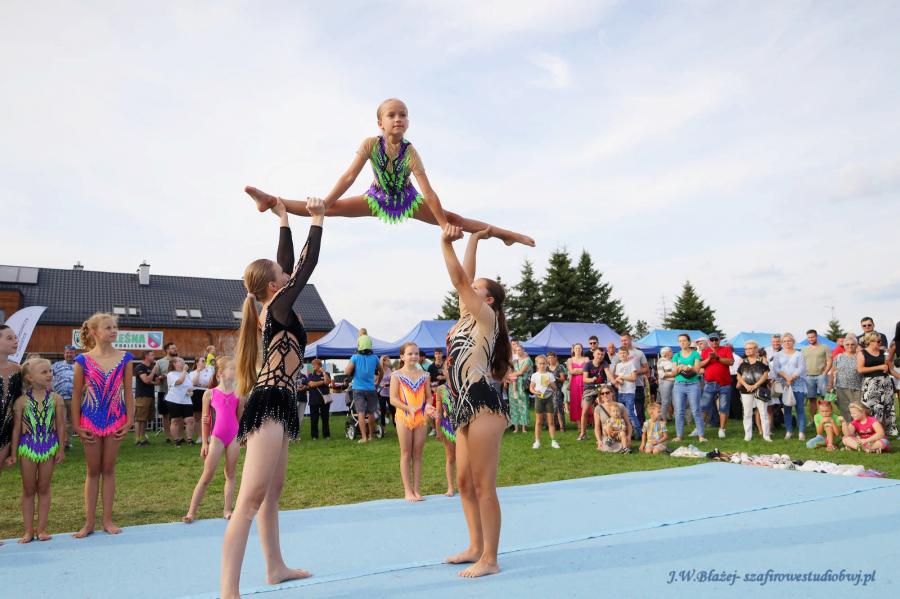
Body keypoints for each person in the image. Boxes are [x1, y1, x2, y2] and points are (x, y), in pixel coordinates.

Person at [245, 99, 534, 247]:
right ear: (380, 123)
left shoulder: (410, 152)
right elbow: (348, 177)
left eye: (403, 114)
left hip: (408, 200)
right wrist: (327, 202)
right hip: (377, 198)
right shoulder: (370, 144)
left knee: (454, 219)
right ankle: (271, 201)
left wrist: (444, 224)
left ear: (408, 121)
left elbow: (428, 192)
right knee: (330, 211)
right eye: (392, 115)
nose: (398, 119)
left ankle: (506, 235)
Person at [220, 196, 325, 597]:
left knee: (271, 495)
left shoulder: (275, 305)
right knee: (249, 501)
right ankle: (228, 590)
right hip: (268, 403)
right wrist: (317, 220)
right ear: (273, 286)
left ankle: (275, 567)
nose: (288, 273)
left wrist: (283, 218)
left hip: (280, 401)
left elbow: (287, 263)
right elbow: (304, 267)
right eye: (283, 275)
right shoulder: (277, 306)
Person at [440, 225, 511, 578]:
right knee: (465, 483)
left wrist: (445, 244)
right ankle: (475, 546)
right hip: (462, 406)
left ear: (488, 300)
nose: (469, 289)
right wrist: (473, 240)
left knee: (484, 485)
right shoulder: (465, 319)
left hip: (483, 403)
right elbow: (465, 280)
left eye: (476, 288)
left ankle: (491, 559)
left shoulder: (486, 319)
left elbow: (459, 281)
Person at [70, 312, 134, 537]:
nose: (113, 330)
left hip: (115, 419)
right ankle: (89, 523)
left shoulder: (126, 358)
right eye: (108, 327)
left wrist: (129, 420)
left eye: (115, 327)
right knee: (93, 470)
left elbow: (128, 391)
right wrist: (76, 425)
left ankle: (107, 520)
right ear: (95, 332)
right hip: (90, 419)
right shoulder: (83, 360)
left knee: (108, 469)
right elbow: (76, 394)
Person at [4, 357, 66, 543]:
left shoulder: (56, 399)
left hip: (49, 447)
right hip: (27, 449)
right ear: (30, 378)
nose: (49, 374)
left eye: (50, 371)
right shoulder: (21, 402)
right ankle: (28, 530)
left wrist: (61, 449)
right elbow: (16, 429)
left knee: (44, 488)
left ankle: (42, 529)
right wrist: (13, 453)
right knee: (29, 489)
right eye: (44, 372)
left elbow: (61, 425)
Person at [184, 356, 242, 523]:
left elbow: (239, 419)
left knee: (230, 474)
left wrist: (241, 438)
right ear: (221, 372)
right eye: (232, 368)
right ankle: (191, 512)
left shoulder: (239, 394)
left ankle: (227, 510)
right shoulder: (209, 394)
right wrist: (204, 442)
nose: (235, 371)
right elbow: (205, 419)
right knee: (207, 475)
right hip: (217, 437)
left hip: (234, 437)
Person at [390, 343, 434, 501]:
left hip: (420, 418)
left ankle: (416, 490)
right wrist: (408, 408)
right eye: (410, 354)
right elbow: (393, 398)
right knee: (406, 453)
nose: (414, 356)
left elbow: (428, 396)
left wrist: (428, 406)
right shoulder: (396, 375)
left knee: (418, 453)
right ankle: (407, 491)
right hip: (404, 417)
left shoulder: (425, 375)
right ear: (402, 357)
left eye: (416, 353)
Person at [857, 332, 898, 437]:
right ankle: (872, 431)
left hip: (886, 382)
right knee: (872, 408)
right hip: (871, 383)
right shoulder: (862, 353)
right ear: (870, 341)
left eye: (881, 341)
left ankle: (887, 432)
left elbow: (890, 369)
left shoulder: (883, 352)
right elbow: (860, 369)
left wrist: (890, 365)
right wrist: (878, 367)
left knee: (888, 408)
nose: (881, 343)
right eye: (878, 341)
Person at [344, 335, 382, 443]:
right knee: (371, 413)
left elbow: (347, 372)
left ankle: (364, 438)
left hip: (358, 389)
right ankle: (371, 436)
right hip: (371, 388)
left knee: (360, 413)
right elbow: (381, 372)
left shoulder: (355, 357)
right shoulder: (375, 358)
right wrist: (377, 383)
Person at [771, 332, 808, 440]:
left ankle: (801, 432)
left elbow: (801, 368)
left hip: (798, 384)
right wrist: (786, 378)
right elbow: (776, 368)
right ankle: (789, 431)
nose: (787, 343)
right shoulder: (778, 355)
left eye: (789, 341)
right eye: (785, 341)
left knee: (800, 408)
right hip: (785, 384)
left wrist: (792, 378)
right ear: (782, 342)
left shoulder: (799, 354)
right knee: (787, 409)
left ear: (793, 342)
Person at [611, 333, 650, 429]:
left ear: (630, 339)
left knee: (639, 410)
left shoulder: (639, 353)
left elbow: (646, 369)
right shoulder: (618, 354)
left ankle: (642, 432)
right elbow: (615, 372)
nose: (623, 342)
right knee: (624, 412)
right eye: (622, 341)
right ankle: (628, 431)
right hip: (623, 388)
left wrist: (633, 372)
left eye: (625, 340)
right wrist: (617, 382)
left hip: (638, 385)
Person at [699, 333, 734, 439]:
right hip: (710, 383)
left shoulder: (726, 349)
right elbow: (700, 365)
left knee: (723, 408)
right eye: (712, 340)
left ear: (719, 340)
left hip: (725, 383)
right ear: (709, 341)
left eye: (716, 340)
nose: (714, 342)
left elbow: (731, 362)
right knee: (703, 407)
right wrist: (709, 358)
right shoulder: (705, 351)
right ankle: (700, 429)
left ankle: (722, 429)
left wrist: (718, 358)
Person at [736, 341, 771, 442]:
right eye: (746, 349)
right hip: (746, 390)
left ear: (756, 349)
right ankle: (748, 435)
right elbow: (739, 375)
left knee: (763, 413)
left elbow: (765, 375)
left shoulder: (762, 360)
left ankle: (766, 435)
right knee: (747, 413)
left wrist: (756, 385)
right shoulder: (743, 361)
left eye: (750, 348)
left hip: (761, 390)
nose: (748, 350)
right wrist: (746, 385)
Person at [671, 333, 703, 442]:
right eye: (680, 341)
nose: (682, 343)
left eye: (684, 340)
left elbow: (697, 370)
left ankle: (701, 436)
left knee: (696, 410)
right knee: (679, 411)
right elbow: (673, 373)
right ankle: (679, 436)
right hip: (679, 385)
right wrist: (680, 368)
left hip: (693, 384)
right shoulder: (676, 355)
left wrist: (687, 367)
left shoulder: (695, 354)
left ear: (689, 342)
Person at [0, 324, 23, 479]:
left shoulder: (18, 370)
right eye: (9, 338)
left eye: (15, 338)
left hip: (6, 432)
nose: (15, 341)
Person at [434, 359, 457, 496]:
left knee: (466, 458)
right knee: (450, 457)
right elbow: (438, 412)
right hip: (448, 426)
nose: (451, 370)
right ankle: (450, 487)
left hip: (463, 426)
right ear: (443, 371)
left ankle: (466, 485)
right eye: (447, 368)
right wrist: (438, 430)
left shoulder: (464, 386)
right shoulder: (441, 389)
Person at [579, 347, 612, 440]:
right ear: (594, 354)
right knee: (585, 411)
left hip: (601, 389)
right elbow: (584, 379)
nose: (600, 356)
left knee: (603, 411)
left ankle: (605, 433)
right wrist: (592, 379)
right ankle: (583, 433)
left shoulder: (604, 363)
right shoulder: (588, 364)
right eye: (598, 354)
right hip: (589, 389)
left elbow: (608, 373)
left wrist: (613, 380)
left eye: (602, 355)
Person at [829, 334, 862, 422]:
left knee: (858, 410)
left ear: (856, 345)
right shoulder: (838, 357)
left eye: (852, 344)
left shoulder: (860, 356)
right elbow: (832, 371)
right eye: (847, 344)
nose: (850, 346)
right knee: (844, 410)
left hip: (857, 388)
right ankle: (848, 428)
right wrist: (830, 384)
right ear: (844, 345)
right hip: (841, 387)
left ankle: (858, 427)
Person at [530, 355, 559, 449]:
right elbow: (531, 388)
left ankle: (553, 441)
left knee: (551, 421)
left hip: (549, 398)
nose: (542, 365)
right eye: (540, 363)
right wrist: (535, 392)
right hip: (539, 398)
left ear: (547, 364)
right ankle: (537, 442)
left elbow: (555, 388)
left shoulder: (550, 375)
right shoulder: (534, 375)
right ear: (537, 364)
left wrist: (550, 384)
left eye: (544, 363)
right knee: (538, 421)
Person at [51, 344, 77, 448]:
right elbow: (47, 376)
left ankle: (66, 442)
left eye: (71, 353)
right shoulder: (56, 365)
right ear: (64, 354)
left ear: (75, 354)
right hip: (58, 398)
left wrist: (81, 391)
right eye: (67, 353)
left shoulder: (79, 366)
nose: (69, 354)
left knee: (70, 420)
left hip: (73, 398)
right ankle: (57, 441)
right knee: (59, 420)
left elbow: (86, 381)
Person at [152, 342, 179, 444]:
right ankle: (168, 436)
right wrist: (161, 377)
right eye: (172, 348)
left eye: (175, 348)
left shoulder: (180, 361)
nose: (175, 349)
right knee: (165, 415)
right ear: (167, 350)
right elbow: (156, 378)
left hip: (177, 392)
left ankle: (178, 435)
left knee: (177, 415)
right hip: (163, 391)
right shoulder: (159, 362)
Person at [802, 329, 832, 418]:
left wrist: (825, 373)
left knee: (826, 398)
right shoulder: (804, 349)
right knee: (811, 399)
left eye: (812, 337)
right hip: (808, 377)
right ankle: (813, 419)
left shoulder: (825, 347)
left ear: (816, 336)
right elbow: (802, 363)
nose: (811, 339)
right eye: (809, 337)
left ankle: (828, 418)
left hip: (821, 376)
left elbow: (830, 361)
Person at [594, 385, 633, 452]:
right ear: (600, 396)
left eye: (607, 392)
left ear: (612, 393)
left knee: (623, 441)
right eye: (602, 393)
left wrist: (629, 436)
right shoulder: (598, 408)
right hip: (608, 436)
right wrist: (599, 440)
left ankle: (624, 447)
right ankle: (622, 447)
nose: (605, 395)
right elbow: (597, 427)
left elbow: (628, 424)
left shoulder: (620, 406)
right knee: (607, 447)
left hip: (620, 435)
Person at [166, 358, 195, 446]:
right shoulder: (171, 374)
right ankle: (176, 440)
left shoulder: (186, 374)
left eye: (183, 361)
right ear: (174, 364)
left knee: (190, 419)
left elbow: (190, 386)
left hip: (186, 400)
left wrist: (190, 391)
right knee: (175, 420)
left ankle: (189, 439)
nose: (183, 362)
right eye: (180, 361)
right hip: (174, 400)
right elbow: (179, 382)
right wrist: (184, 371)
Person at [612, 346, 640, 434]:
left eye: (624, 353)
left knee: (630, 412)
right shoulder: (618, 365)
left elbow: (634, 378)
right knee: (621, 413)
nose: (622, 355)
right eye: (620, 353)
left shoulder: (631, 364)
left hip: (629, 392)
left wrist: (622, 377)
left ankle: (639, 432)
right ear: (618, 355)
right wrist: (618, 382)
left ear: (628, 354)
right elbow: (617, 377)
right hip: (621, 392)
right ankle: (626, 432)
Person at [131, 350, 156, 446]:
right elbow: (146, 380)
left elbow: (157, 381)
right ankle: (137, 440)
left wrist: (158, 377)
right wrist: (153, 372)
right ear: (146, 356)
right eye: (152, 355)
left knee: (145, 419)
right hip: (142, 396)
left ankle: (142, 438)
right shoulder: (140, 367)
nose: (154, 356)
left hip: (150, 395)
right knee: (139, 419)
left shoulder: (150, 368)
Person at [507, 341, 532, 433]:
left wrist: (509, 375)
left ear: (523, 350)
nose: (518, 351)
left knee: (523, 404)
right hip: (513, 384)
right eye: (516, 350)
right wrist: (509, 376)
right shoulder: (514, 361)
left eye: (519, 350)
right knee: (514, 405)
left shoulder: (527, 360)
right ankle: (516, 427)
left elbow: (521, 372)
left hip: (522, 384)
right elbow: (509, 370)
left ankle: (524, 427)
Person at [190, 356, 216, 437]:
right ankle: (200, 436)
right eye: (202, 361)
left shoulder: (210, 371)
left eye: (205, 361)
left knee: (209, 414)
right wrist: (198, 371)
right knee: (197, 416)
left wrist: (201, 385)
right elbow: (193, 383)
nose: (204, 362)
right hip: (197, 394)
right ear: (197, 363)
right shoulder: (192, 373)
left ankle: (210, 435)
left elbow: (211, 383)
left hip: (207, 392)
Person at [307, 359, 332, 440]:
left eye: (314, 365)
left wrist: (324, 372)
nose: (313, 366)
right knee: (314, 419)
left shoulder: (326, 373)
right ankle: (314, 436)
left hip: (324, 400)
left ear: (319, 365)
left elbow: (328, 382)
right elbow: (311, 384)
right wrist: (322, 382)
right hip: (314, 400)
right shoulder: (311, 375)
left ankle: (326, 435)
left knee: (325, 418)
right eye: (312, 365)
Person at [566, 343, 588, 427]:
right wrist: (582, 370)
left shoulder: (586, 358)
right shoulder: (570, 360)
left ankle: (585, 422)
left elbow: (588, 370)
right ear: (573, 350)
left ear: (582, 349)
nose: (578, 349)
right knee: (576, 402)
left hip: (585, 382)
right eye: (576, 348)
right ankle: (579, 424)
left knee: (585, 401)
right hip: (574, 383)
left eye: (579, 348)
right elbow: (571, 371)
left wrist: (576, 370)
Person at [547, 352, 568, 433]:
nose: (550, 359)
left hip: (557, 389)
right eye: (549, 358)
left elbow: (563, 379)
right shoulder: (546, 368)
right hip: (548, 390)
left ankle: (562, 426)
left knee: (558, 407)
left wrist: (555, 378)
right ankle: (553, 425)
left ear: (555, 358)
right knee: (550, 408)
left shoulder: (560, 367)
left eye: (552, 357)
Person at [656, 347, 676, 421]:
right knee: (665, 401)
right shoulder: (661, 361)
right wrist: (674, 374)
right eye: (670, 351)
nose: (672, 352)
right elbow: (661, 374)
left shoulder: (673, 360)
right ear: (666, 353)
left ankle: (674, 417)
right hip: (665, 383)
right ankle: (663, 419)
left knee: (675, 401)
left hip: (674, 382)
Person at [376, 355, 394, 428]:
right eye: (388, 360)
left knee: (393, 410)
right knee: (383, 410)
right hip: (381, 393)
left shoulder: (389, 370)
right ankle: (383, 427)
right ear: (383, 361)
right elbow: (375, 381)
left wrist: (390, 383)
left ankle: (396, 426)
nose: (389, 361)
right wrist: (381, 385)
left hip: (389, 393)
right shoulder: (379, 370)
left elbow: (392, 380)